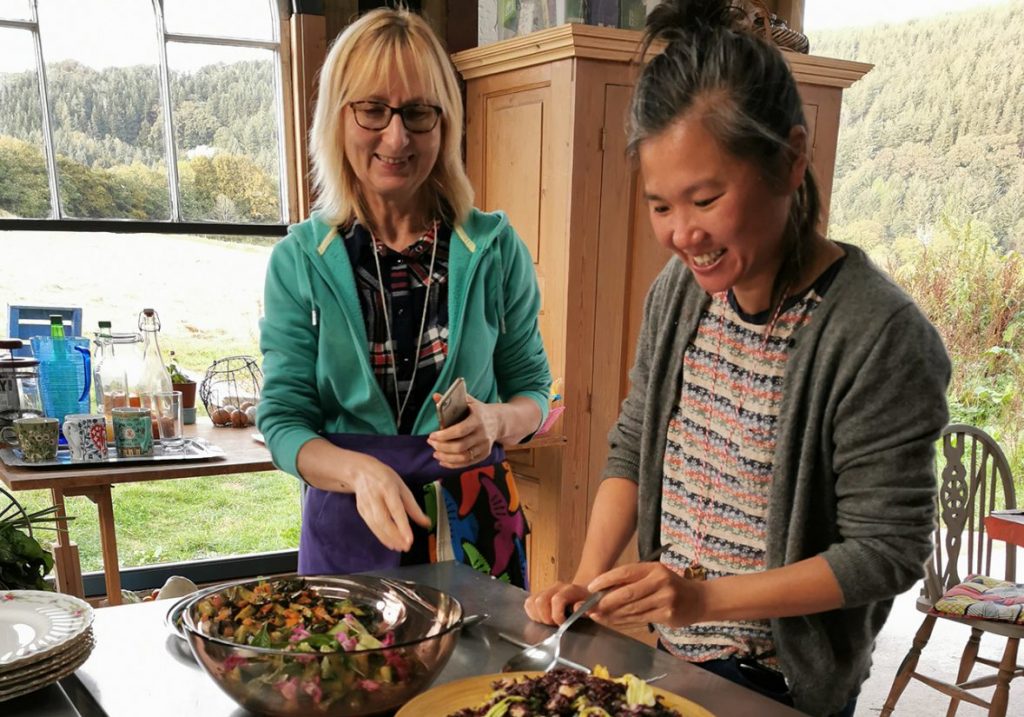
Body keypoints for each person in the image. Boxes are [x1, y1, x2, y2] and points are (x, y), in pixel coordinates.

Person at [524, 1, 950, 714]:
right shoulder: (679, 296)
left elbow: (888, 549)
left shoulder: (879, 333)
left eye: (706, 198)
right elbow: (635, 445)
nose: (682, 233)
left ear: (790, 160)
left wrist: (702, 598)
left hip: (780, 688)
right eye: (661, 205)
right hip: (672, 662)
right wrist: (589, 582)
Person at [258, 7, 551, 589]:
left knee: (484, 679)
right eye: (373, 110)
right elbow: (285, 422)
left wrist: (495, 421)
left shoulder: (493, 248)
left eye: (419, 112)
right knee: (352, 673)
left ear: (445, 124)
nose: (397, 137)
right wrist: (360, 473)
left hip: (473, 519)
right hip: (350, 517)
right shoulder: (300, 260)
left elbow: (534, 391)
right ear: (338, 118)